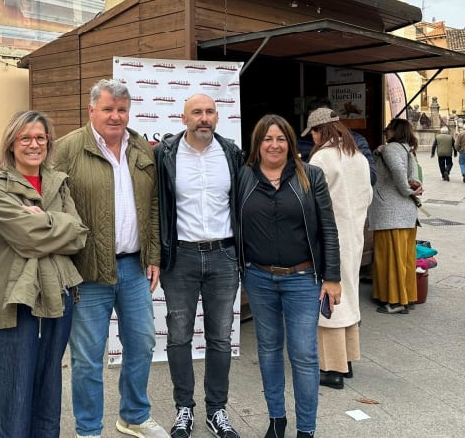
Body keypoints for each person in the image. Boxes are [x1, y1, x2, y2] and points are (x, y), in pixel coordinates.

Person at [53, 79, 168, 438]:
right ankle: (88, 429)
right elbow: (50, 202)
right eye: (108, 109)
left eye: (121, 109)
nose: (115, 116)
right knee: (87, 358)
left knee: (143, 343)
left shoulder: (140, 149)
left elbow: (151, 205)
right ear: (91, 110)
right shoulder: (68, 148)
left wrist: (153, 255)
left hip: (134, 266)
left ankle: (133, 415)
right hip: (87, 271)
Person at [0, 110, 88, 437]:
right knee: (9, 397)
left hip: (57, 298)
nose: (34, 144)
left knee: (47, 393)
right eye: (25, 138)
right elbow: (27, 238)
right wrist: (57, 225)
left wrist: (44, 220)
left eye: (40, 137)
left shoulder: (58, 182)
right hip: (11, 304)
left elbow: (80, 234)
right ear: (12, 144)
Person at [237, 114, 341, 438]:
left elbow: (328, 228)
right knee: (268, 349)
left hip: (302, 278)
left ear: (290, 143)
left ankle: (306, 429)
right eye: (267, 139)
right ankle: (276, 420)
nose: (274, 144)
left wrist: (332, 277)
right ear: (258, 144)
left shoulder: (311, 175)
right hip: (259, 277)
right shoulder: (243, 177)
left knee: (304, 353)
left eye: (280, 139)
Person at [155, 94, 244, 438]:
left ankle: (217, 411)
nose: (203, 118)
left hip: (224, 256)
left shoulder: (233, 155)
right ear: (183, 118)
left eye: (209, 112)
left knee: (220, 338)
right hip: (181, 258)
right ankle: (184, 409)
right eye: (197, 112)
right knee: (178, 337)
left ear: (217, 118)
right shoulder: (165, 155)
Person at [304, 108, 373, 390]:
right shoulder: (358, 157)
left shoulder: (322, 157)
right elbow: (368, 195)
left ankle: (331, 368)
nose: (313, 139)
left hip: (328, 237)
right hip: (354, 235)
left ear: (321, 131)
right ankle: (347, 361)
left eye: (313, 133)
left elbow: (309, 199)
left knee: (327, 298)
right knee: (348, 293)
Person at [368, 118, 422, 314]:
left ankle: (394, 301)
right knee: (405, 258)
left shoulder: (390, 149)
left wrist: (406, 190)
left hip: (390, 212)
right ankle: (406, 297)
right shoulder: (409, 150)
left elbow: (398, 172)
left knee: (389, 258)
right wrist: (413, 188)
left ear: (396, 131)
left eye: (388, 129)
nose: (385, 132)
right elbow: (414, 176)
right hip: (407, 213)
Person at [297, 97, 376, 186]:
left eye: (322, 122)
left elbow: (371, 178)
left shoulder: (356, 140)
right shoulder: (302, 143)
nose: (317, 130)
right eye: (314, 124)